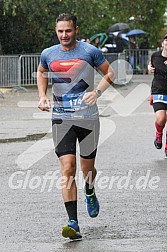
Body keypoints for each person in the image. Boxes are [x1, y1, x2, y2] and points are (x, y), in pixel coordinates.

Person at [37, 13, 115, 240]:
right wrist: (42, 96)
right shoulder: (48, 54)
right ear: (56, 31)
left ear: (76, 30)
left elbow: (109, 72)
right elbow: (42, 73)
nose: (64, 35)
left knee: (86, 170)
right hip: (61, 119)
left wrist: (97, 92)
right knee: (67, 168)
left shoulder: (90, 52)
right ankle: (73, 222)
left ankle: (89, 190)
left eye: (68, 31)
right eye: (60, 31)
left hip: (88, 119)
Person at [148, 34, 167, 158]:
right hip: (158, 91)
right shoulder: (155, 56)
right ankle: (159, 134)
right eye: (166, 40)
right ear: (163, 44)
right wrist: (149, 67)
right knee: (161, 118)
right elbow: (151, 65)